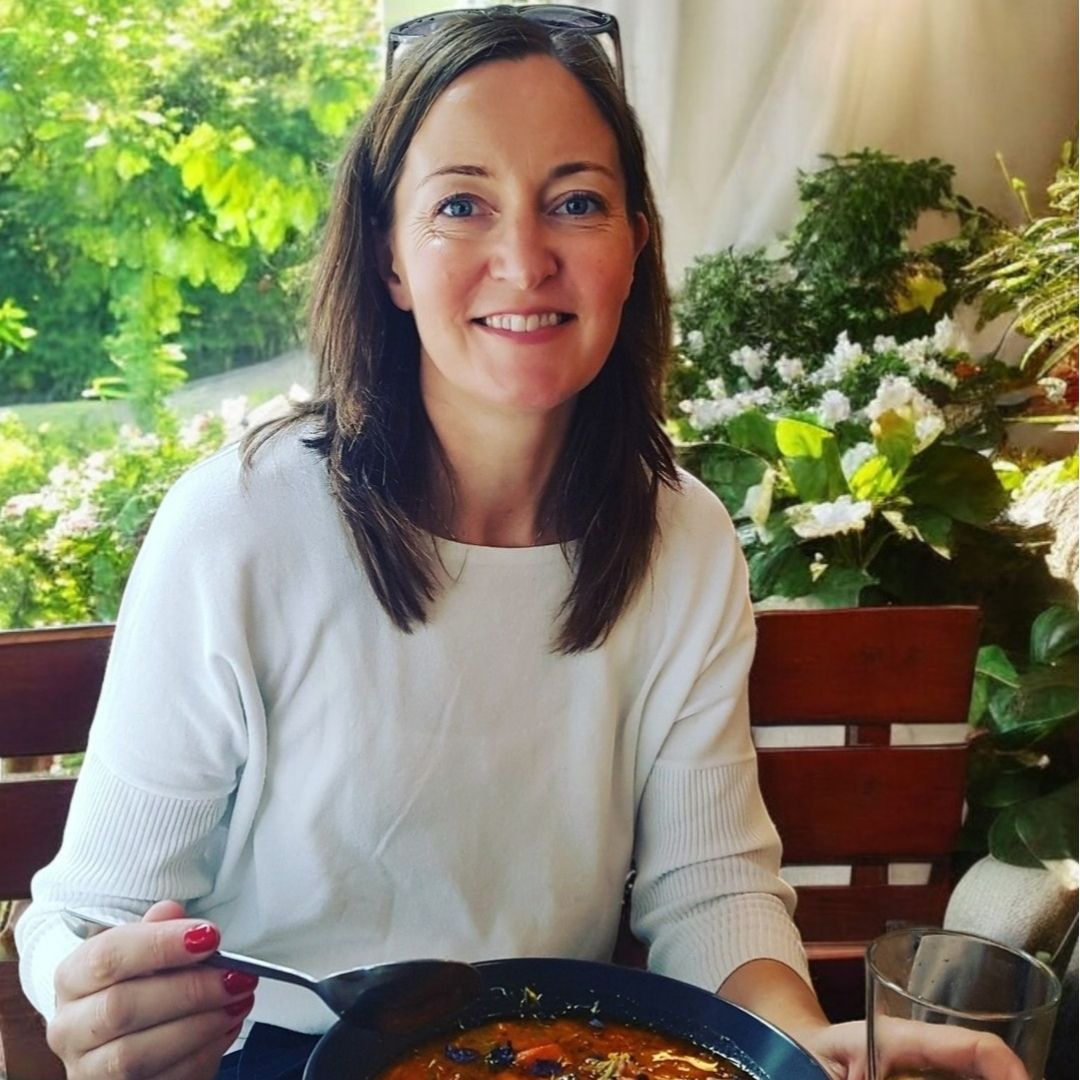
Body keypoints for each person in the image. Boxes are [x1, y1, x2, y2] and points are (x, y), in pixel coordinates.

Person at [16, 7, 1028, 1080]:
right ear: (390, 257)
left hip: (550, 1053)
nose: (524, 258)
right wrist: (94, 996)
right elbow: (86, 916)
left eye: (576, 202)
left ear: (635, 244)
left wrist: (801, 1051)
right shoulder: (240, 524)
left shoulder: (682, 537)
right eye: (461, 204)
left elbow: (710, 886)